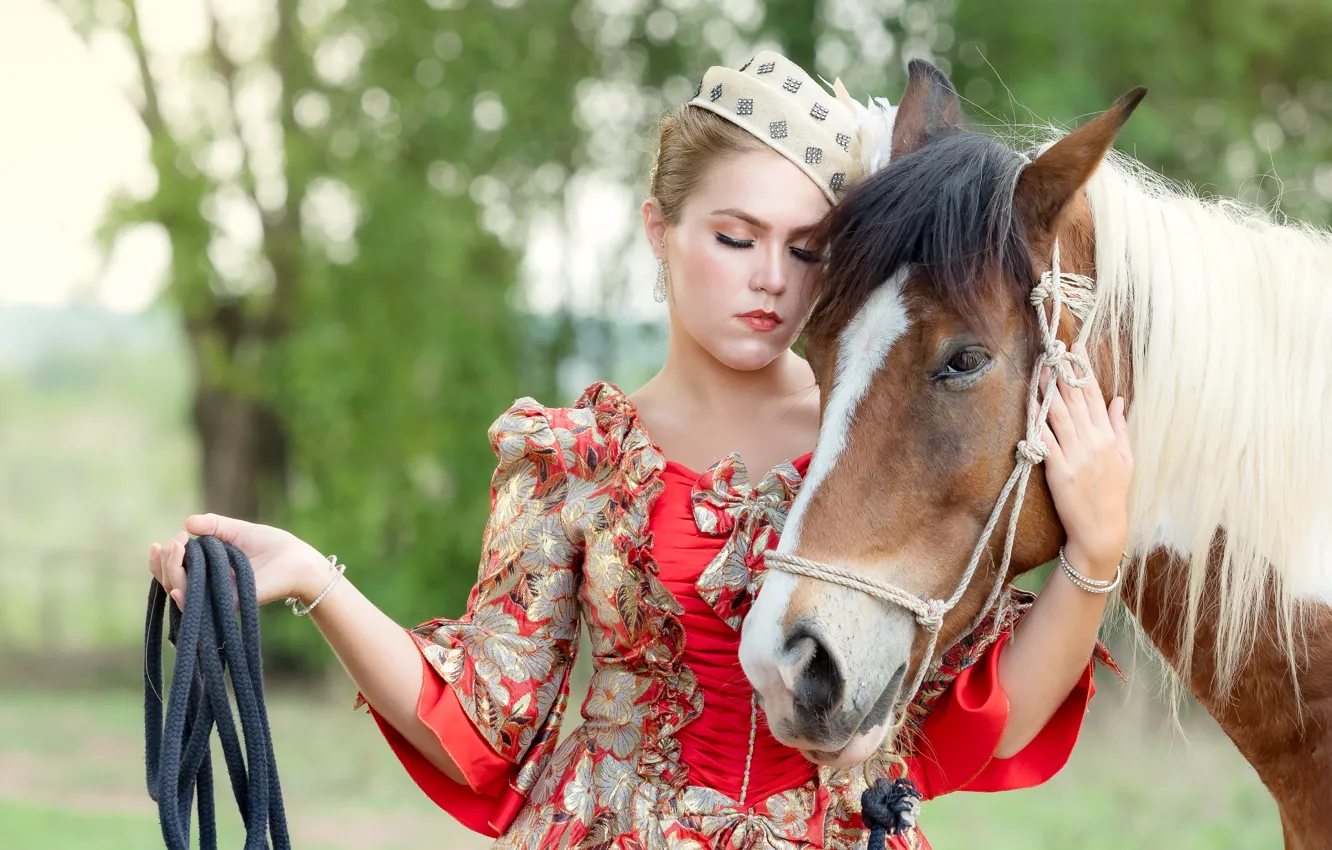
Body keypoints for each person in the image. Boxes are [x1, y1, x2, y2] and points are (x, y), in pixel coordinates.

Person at [148, 52, 1133, 849]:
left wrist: (1094, 556)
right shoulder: (577, 456)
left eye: (804, 248)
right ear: (660, 232)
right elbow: (484, 724)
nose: (769, 280)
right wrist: (315, 578)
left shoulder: (871, 452)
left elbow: (968, 724)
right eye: (734, 236)